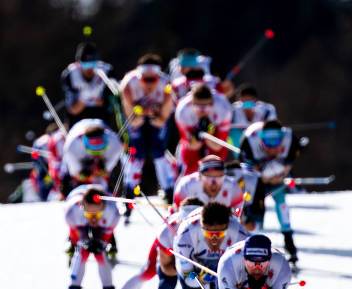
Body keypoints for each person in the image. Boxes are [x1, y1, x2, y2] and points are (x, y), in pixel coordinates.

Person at [239, 119, 309, 265]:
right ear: (261, 140)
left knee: (282, 205)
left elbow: (288, 165)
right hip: (257, 181)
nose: (272, 149)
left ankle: (290, 244)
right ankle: (250, 245)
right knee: (255, 212)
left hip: (277, 179)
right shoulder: (249, 142)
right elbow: (246, 172)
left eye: (276, 144)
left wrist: (278, 174)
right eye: (268, 144)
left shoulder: (290, 141)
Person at [120, 53, 175, 213]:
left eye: (153, 79)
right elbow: (132, 119)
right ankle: (129, 193)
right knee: (136, 155)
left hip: (155, 121)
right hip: (136, 121)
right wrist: (146, 113)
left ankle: (169, 191)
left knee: (159, 153)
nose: (149, 84)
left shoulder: (166, 84)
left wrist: (151, 114)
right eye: (146, 79)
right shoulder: (129, 84)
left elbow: (163, 118)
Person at [65, 185, 120, 289]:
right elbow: (78, 237)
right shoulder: (72, 212)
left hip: (103, 226)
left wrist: (101, 243)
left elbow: (105, 238)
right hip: (80, 225)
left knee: (100, 254)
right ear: (82, 207)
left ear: (103, 207)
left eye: (97, 214)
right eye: (90, 214)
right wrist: (83, 242)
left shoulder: (113, 212)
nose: (93, 219)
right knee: (82, 252)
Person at [175, 84, 232, 176]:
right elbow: (191, 145)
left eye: (207, 106)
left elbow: (218, 146)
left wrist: (207, 134)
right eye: (199, 106)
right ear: (192, 103)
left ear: (212, 102)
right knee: (189, 159)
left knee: (217, 159)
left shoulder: (223, 109)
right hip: (193, 133)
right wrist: (198, 137)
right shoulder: (182, 111)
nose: (203, 110)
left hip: (214, 130)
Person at [61, 118, 123, 196]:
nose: (96, 153)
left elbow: (107, 172)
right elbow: (76, 174)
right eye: (93, 151)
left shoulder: (115, 145)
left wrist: (101, 170)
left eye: (100, 150)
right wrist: (86, 173)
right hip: (78, 129)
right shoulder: (71, 148)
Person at [61, 41, 113, 126]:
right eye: (85, 65)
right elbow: (72, 109)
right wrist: (84, 98)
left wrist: (101, 100)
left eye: (93, 65)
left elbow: (111, 102)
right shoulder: (69, 75)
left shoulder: (106, 71)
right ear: (78, 64)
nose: (89, 69)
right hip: (78, 116)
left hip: (101, 115)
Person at [173, 155, 244, 216]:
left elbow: (237, 214)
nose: (213, 182)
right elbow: (177, 214)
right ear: (200, 176)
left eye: (219, 176)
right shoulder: (186, 186)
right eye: (208, 176)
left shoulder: (233, 187)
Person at [230, 84, 277, 149]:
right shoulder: (233, 110)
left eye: (249, 100)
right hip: (239, 139)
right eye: (244, 100)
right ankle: (241, 155)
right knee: (234, 132)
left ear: (255, 100)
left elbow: (272, 127)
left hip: (260, 138)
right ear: (240, 100)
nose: (246, 103)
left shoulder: (267, 110)